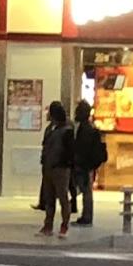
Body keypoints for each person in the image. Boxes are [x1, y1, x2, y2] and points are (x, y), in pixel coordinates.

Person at [37, 100, 75, 237]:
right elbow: (45, 146)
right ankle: (48, 225)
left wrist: (66, 164)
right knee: (49, 198)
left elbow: (70, 151)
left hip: (61, 167)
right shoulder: (50, 129)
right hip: (48, 167)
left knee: (63, 197)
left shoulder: (67, 130)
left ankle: (64, 225)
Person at [70, 100, 107, 226]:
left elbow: (82, 148)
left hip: (84, 164)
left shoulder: (84, 129)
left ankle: (87, 217)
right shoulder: (90, 128)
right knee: (86, 190)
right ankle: (86, 215)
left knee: (86, 191)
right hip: (88, 164)